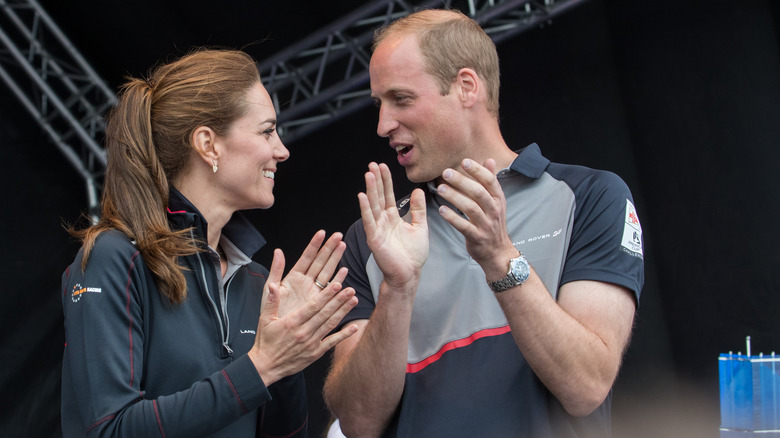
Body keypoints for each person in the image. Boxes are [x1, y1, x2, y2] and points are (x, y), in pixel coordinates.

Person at [323, 8, 643, 438]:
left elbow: (586, 387)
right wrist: (396, 291)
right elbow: (358, 423)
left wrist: (499, 257)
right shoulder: (374, 236)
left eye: (401, 99)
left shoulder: (589, 197)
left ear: (466, 87)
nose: (383, 125)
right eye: (379, 104)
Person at [61, 48, 359, 438]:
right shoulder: (115, 257)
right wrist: (262, 365)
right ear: (207, 144)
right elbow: (110, 430)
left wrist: (288, 353)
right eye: (267, 131)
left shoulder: (257, 281)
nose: (281, 150)